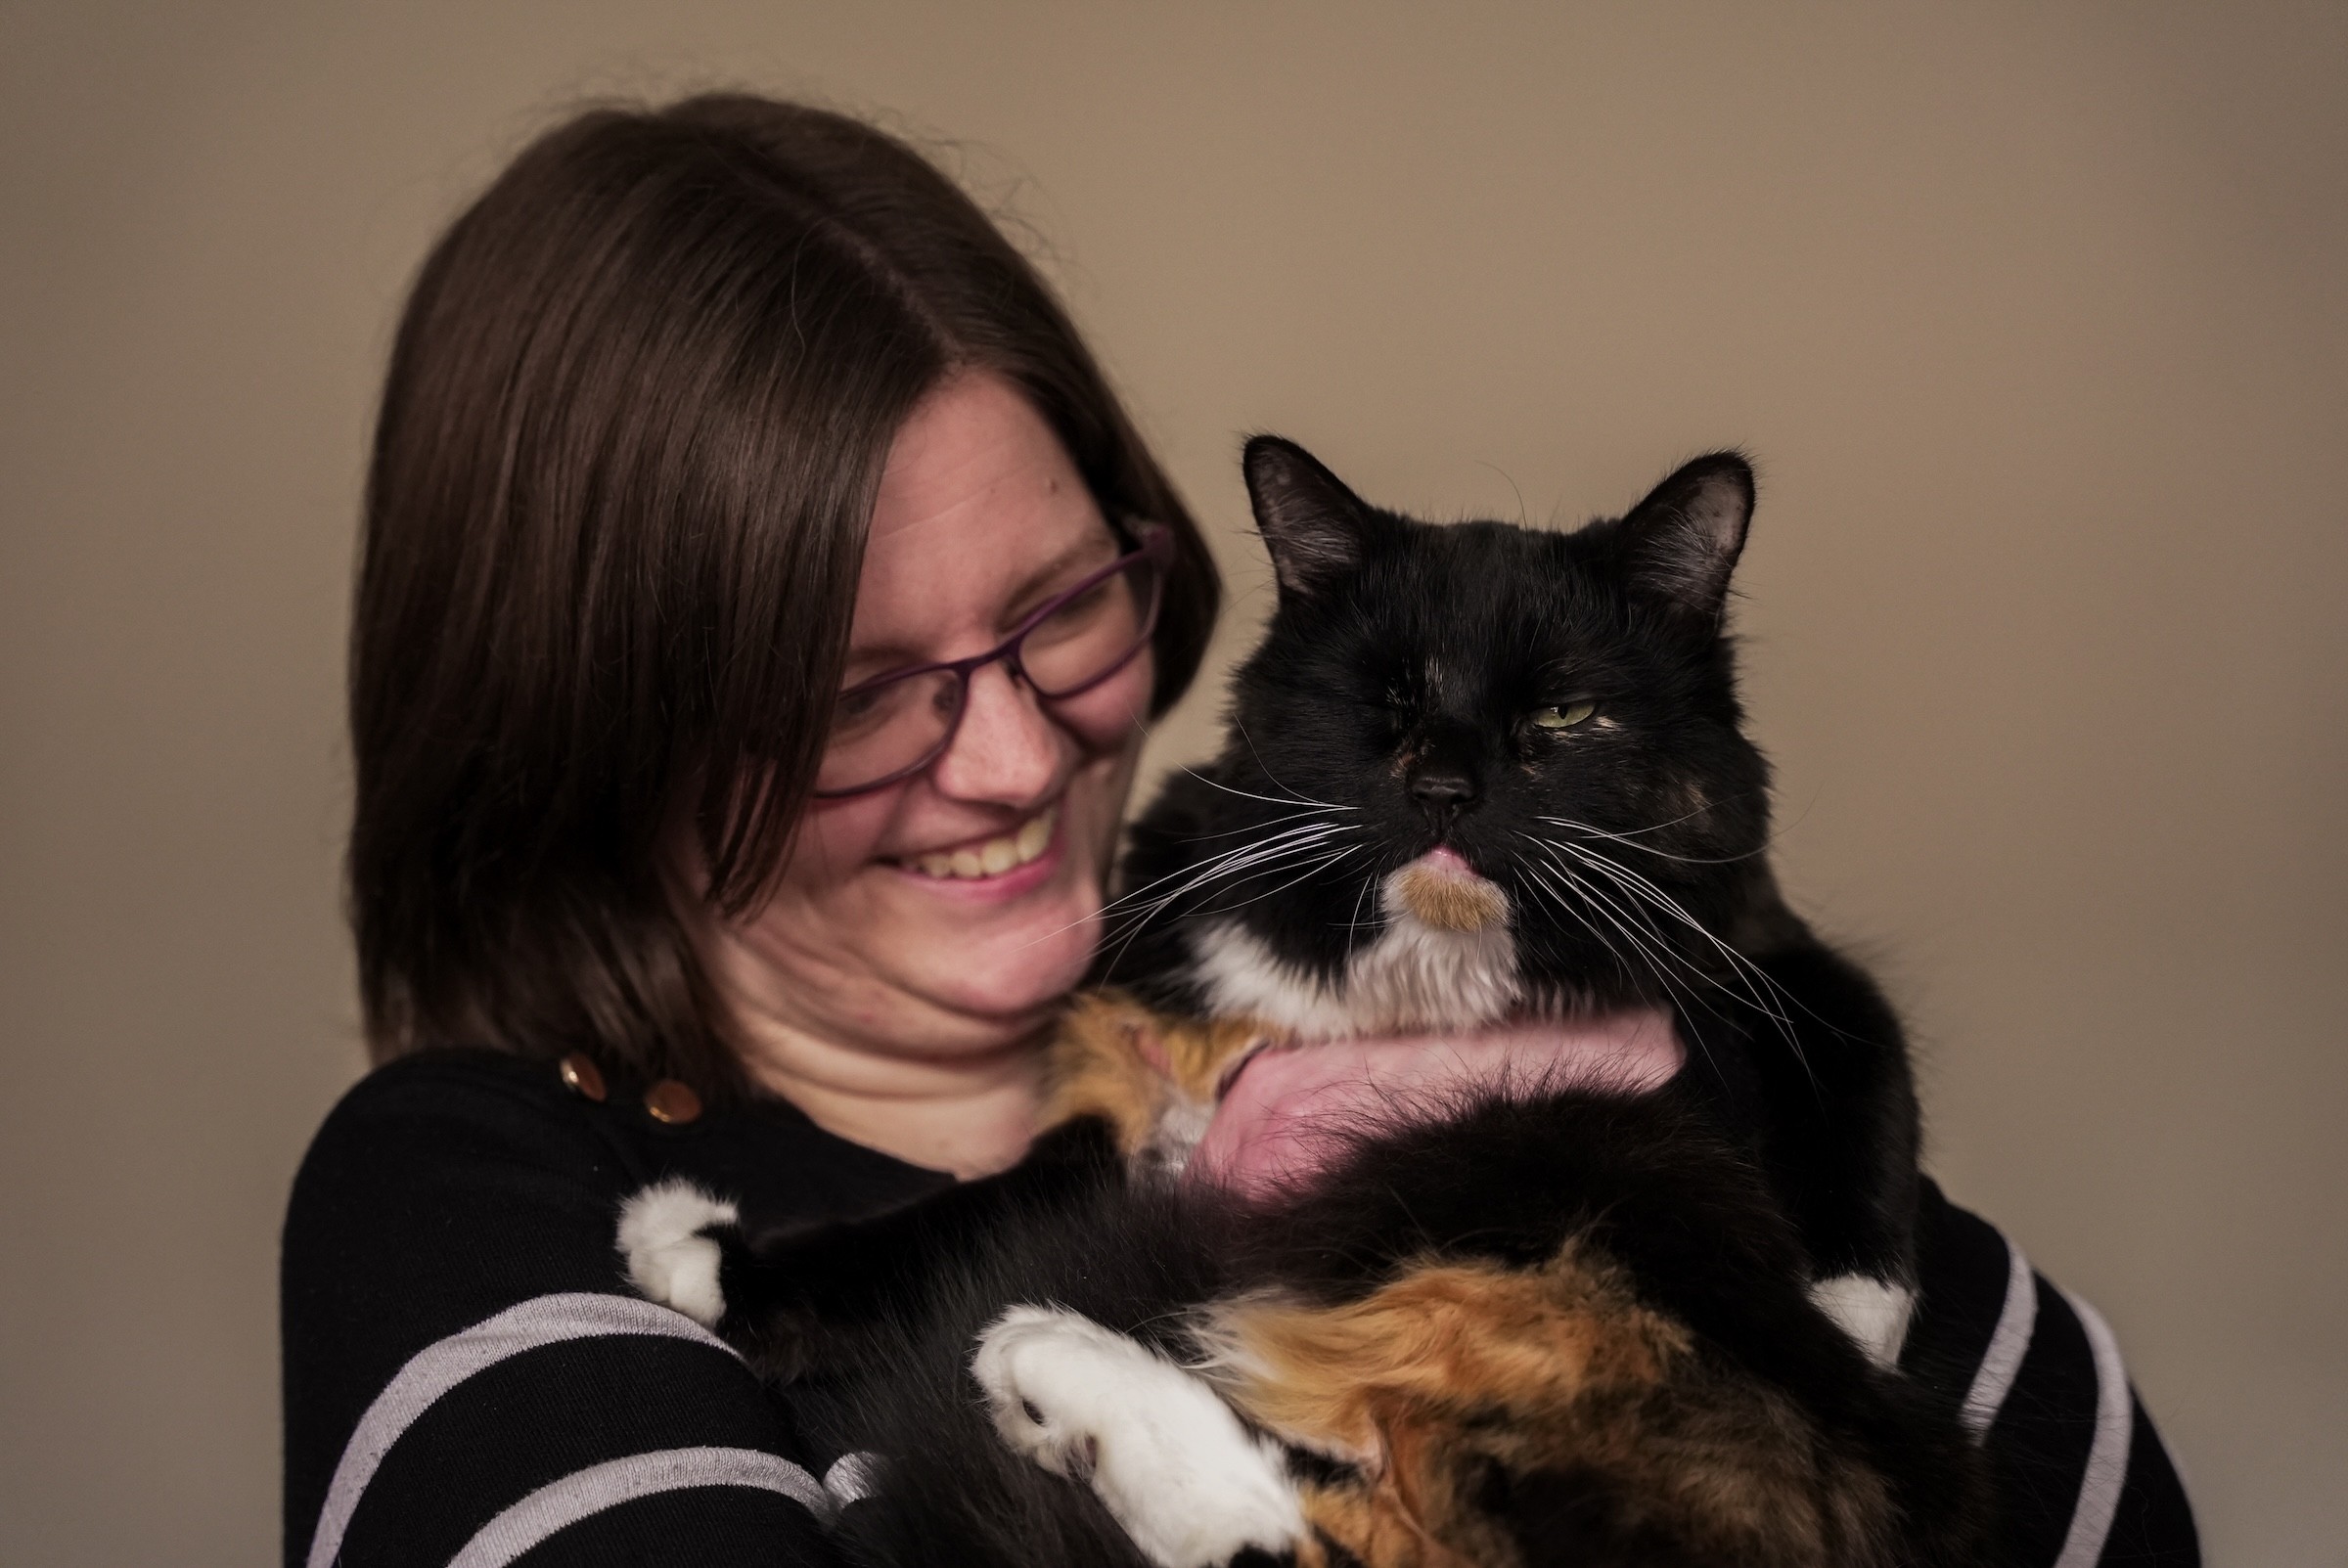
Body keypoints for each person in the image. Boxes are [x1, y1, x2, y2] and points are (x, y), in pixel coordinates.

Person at [283, 95, 2197, 1567]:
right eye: (860, 693)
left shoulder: (1537, 1025)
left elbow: (2087, 1497)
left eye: (1060, 607)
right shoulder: (478, 1189)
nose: (1016, 756)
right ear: (593, 736)